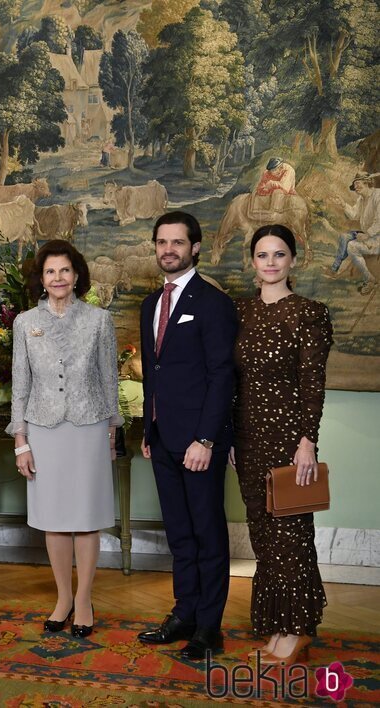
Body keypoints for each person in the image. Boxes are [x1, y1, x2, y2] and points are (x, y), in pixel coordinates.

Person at [8, 240, 122, 637]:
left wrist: (112, 431)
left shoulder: (99, 320)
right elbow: (19, 385)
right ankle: (63, 598)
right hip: (43, 430)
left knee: (86, 519)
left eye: (65, 271)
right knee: (54, 520)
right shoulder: (24, 322)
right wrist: (20, 440)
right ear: (42, 279)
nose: (58, 278)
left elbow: (110, 379)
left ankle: (85, 598)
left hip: (89, 428)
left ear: (76, 276)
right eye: (50, 272)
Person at [137, 211, 237, 661]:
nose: (168, 250)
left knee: (207, 533)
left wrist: (208, 439)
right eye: (162, 242)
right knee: (178, 534)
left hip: (200, 443)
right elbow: (155, 374)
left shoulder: (213, 303)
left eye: (177, 242)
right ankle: (185, 614)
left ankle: (209, 627)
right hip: (161, 438)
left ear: (195, 247)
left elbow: (222, 377)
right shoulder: (149, 305)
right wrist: (148, 427)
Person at [233, 224, 333, 666]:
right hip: (248, 438)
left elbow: (313, 383)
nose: (270, 263)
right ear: (252, 262)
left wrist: (308, 441)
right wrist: (231, 439)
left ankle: (298, 629)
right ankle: (277, 626)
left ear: (293, 259)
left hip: (290, 440)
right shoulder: (240, 312)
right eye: (262, 255)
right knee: (263, 537)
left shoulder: (309, 313)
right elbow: (233, 383)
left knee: (291, 534)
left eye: (278, 255)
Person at [325, 172, 379, 294]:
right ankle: (334, 269)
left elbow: (379, 221)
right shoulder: (361, 198)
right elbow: (355, 215)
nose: (355, 187)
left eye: (357, 184)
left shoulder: (378, 196)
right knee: (344, 237)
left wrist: (368, 234)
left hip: (377, 236)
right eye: (355, 185)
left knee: (352, 246)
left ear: (367, 183)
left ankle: (370, 279)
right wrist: (343, 204)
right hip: (367, 234)